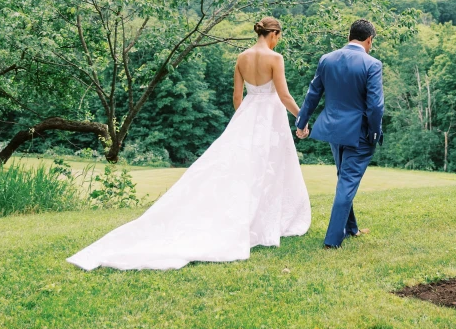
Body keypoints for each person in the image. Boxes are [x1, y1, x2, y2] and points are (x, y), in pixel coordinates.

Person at [67, 17, 310, 271]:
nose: (278, 40)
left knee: (243, 172)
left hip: (247, 117)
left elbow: (237, 98)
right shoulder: (275, 58)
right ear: (273, 34)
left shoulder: (241, 58)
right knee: (270, 170)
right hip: (271, 120)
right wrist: (301, 120)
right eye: (279, 36)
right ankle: (265, 225)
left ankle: (252, 222)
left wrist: (244, 123)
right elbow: (283, 95)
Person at [295, 18, 384, 248]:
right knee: (347, 182)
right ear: (369, 40)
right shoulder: (372, 64)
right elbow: (375, 106)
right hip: (359, 134)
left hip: (334, 132)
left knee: (345, 178)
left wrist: (301, 122)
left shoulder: (327, 59)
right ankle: (333, 239)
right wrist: (375, 133)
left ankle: (351, 228)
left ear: (349, 36)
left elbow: (312, 94)